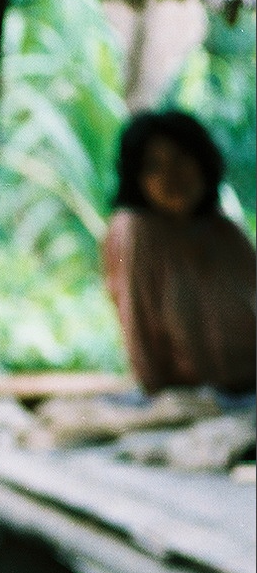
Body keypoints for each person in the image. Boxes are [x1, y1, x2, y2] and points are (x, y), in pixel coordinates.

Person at [102, 109, 256, 396]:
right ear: (137, 178)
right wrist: (161, 398)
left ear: (202, 162)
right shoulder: (135, 229)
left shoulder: (226, 233)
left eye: (181, 159)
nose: (170, 176)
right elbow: (137, 327)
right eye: (153, 166)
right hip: (184, 398)